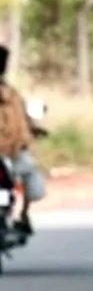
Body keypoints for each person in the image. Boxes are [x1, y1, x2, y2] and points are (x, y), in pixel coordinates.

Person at [0, 44, 46, 234]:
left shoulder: (12, 94)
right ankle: (24, 214)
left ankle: (24, 214)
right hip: (11, 152)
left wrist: (33, 129)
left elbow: (22, 120)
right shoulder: (10, 94)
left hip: (12, 152)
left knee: (29, 172)